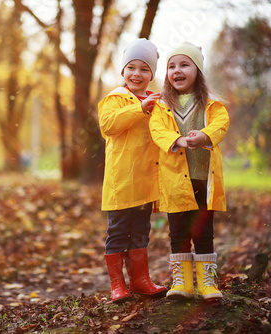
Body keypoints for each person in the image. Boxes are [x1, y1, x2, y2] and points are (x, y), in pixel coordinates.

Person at [149, 42, 229, 301]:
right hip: (173, 182)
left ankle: (207, 283)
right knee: (178, 231)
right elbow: (158, 130)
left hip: (203, 179)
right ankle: (181, 282)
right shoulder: (162, 105)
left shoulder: (211, 104)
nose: (177, 70)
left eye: (184, 64)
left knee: (203, 231)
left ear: (198, 71)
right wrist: (179, 140)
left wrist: (204, 136)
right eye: (172, 66)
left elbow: (220, 125)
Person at [98, 38, 167, 303]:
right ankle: (118, 285)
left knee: (140, 232)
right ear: (123, 72)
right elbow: (109, 126)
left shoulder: (156, 103)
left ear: (152, 74)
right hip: (121, 183)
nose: (137, 74)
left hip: (146, 182)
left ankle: (140, 280)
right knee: (117, 232)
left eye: (144, 69)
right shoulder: (115, 98)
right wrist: (138, 109)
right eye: (132, 68)